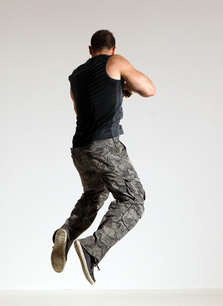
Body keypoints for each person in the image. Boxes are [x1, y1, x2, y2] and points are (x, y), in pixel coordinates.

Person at [51, 30, 156, 285]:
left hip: (80, 149)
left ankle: (66, 232)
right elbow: (149, 89)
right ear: (113, 47)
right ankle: (91, 249)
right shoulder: (116, 61)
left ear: (90, 50)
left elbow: (81, 108)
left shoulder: (76, 75)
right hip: (105, 146)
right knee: (133, 199)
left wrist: (118, 89)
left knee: (94, 195)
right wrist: (127, 84)